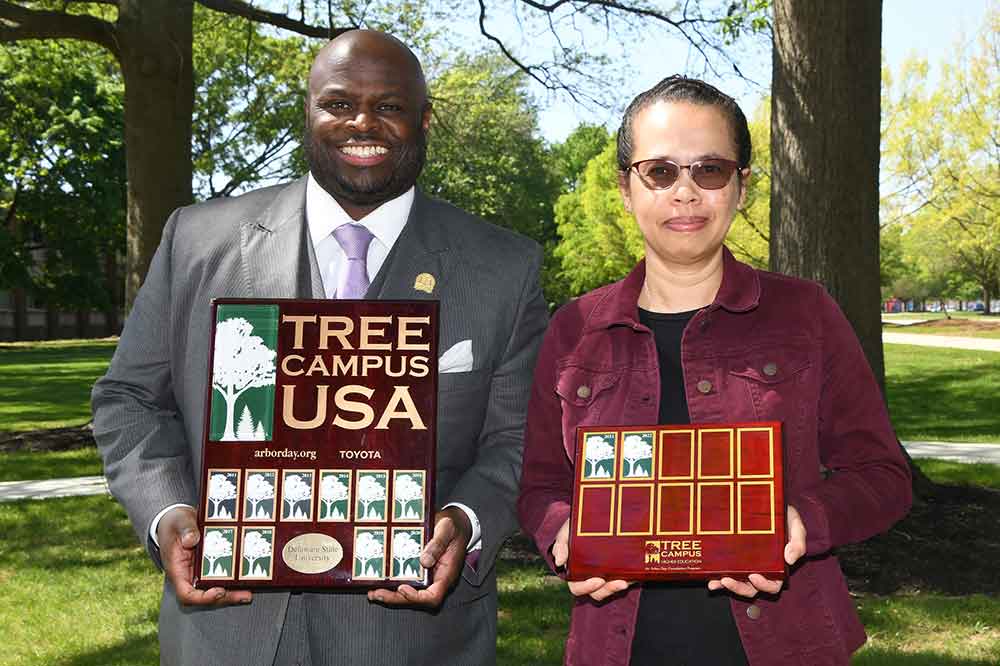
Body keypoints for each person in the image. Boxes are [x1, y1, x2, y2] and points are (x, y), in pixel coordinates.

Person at [92, 30, 547, 666]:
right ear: (308, 111)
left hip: (416, 640)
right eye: (338, 103)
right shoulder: (197, 240)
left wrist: (467, 521)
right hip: (229, 635)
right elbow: (128, 398)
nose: (363, 122)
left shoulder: (504, 266)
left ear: (424, 118)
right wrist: (167, 510)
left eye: (389, 106)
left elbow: (517, 438)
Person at [517, 75, 912, 665]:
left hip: (787, 644)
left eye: (710, 170)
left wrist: (804, 521)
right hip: (615, 648)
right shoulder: (574, 328)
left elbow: (884, 474)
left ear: (742, 186)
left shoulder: (806, 313)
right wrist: (562, 534)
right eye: (660, 171)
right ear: (627, 187)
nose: (685, 193)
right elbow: (541, 487)